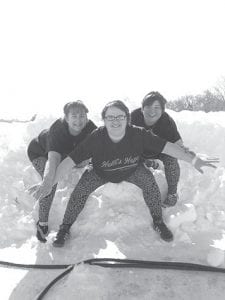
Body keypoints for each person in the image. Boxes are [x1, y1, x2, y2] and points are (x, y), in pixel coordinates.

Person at [31, 100, 218, 247]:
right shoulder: (95, 137)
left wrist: (193, 159)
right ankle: (65, 228)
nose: (115, 121)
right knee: (79, 193)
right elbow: (67, 162)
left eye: (119, 117)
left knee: (150, 186)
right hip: (99, 172)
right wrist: (49, 181)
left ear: (127, 118)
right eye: (110, 117)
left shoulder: (139, 134)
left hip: (132, 170)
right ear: (103, 120)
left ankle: (159, 222)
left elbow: (168, 147)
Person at [27, 100, 97, 242]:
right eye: (74, 116)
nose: (79, 120)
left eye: (82, 116)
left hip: (67, 154)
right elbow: (52, 159)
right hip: (41, 153)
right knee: (50, 183)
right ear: (66, 117)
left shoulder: (91, 128)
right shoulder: (57, 129)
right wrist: (47, 181)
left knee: (81, 160)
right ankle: (42, 223)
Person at [131, 91, 187, 207]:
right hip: (138, 150)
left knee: (172, 157)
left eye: (157, 107)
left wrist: (189, 155)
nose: (152, 111)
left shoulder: (167, 121)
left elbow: (178, 144)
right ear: (142, 109)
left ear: (162, 110)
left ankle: (172, 193)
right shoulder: (133, 117)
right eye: (148, 107)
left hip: (159, 151)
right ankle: (147, 162)